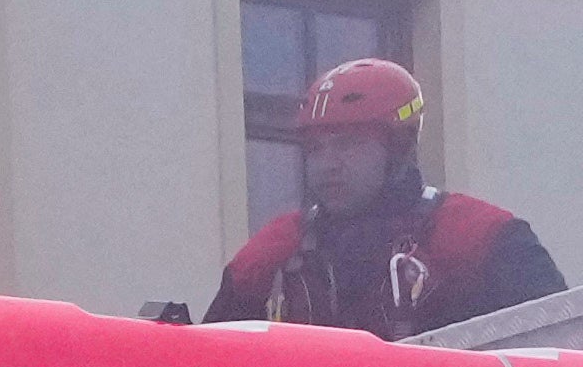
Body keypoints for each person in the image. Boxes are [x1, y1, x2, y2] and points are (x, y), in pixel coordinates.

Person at [206, 58, 564, 335]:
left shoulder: (479, 238)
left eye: (348, 145)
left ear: (399, 147)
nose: (327, 164)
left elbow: (557, 350)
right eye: (315, 149)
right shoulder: (273, 252)